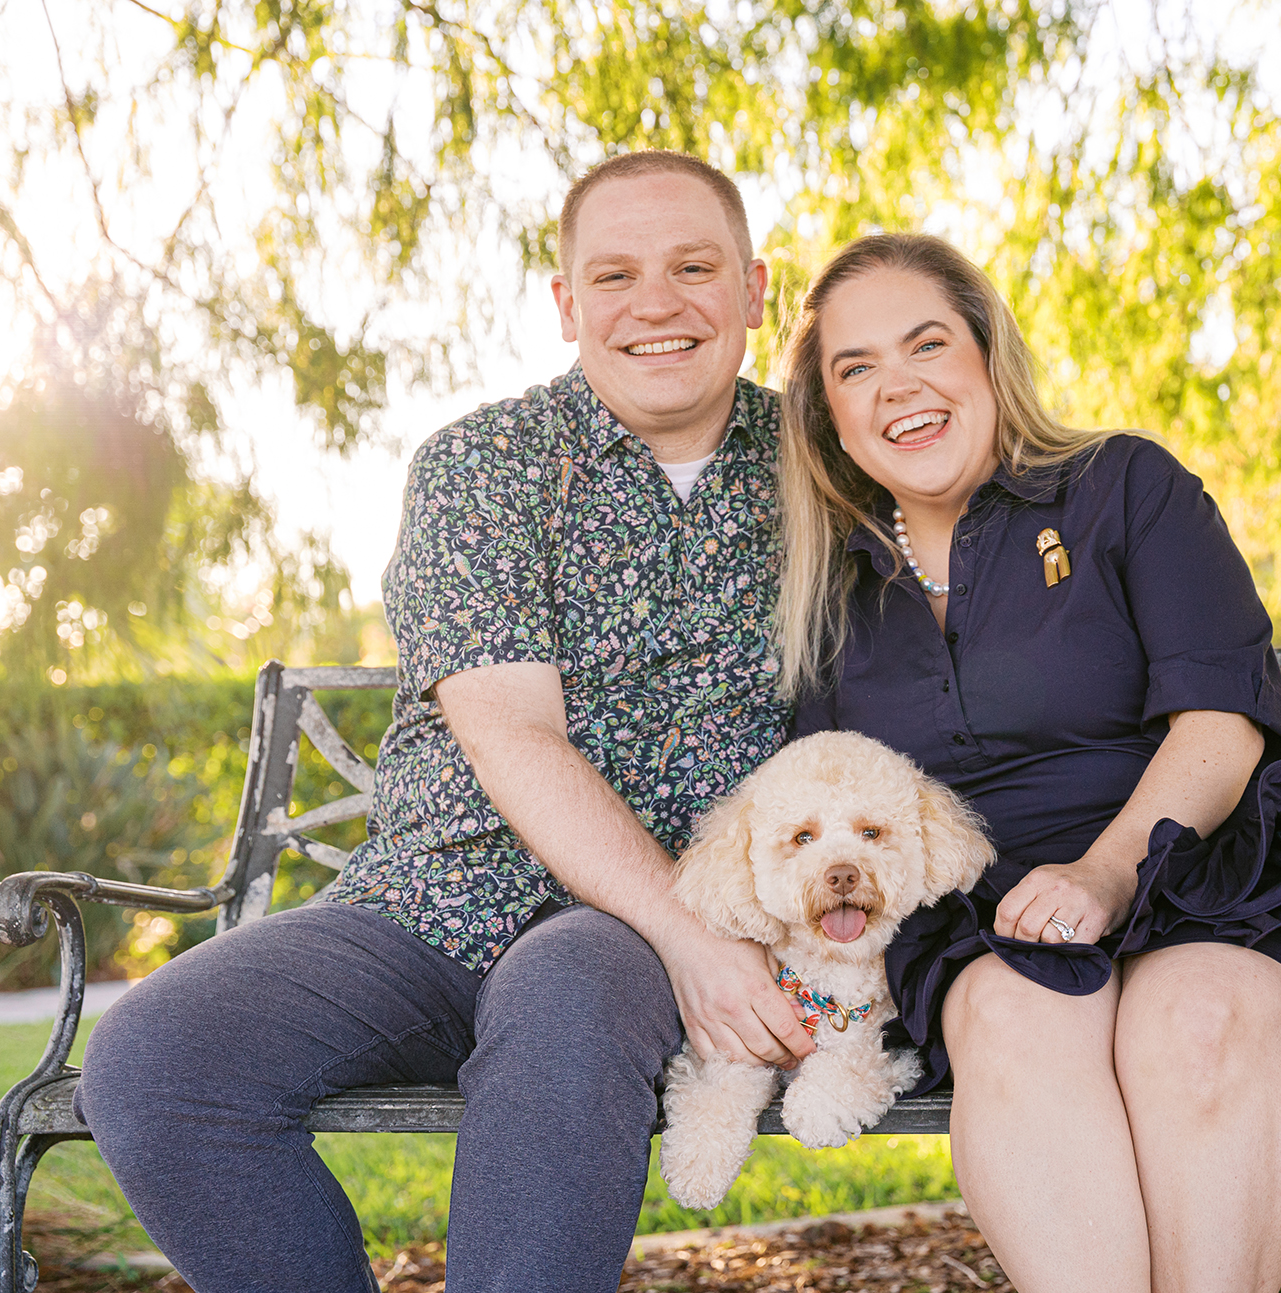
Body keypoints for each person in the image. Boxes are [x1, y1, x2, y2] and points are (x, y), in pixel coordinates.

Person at [74, 151, 817, 1293]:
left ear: (757, 288)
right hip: (424, 908)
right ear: (567, 304)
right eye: (614, 274)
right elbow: (513, 732)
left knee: (564, 996)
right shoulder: (484, 465)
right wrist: (697, 940)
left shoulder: (824, 471)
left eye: (693, 267)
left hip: (622, 942)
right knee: (155, 1059)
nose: (655, 304)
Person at [779, 233, 1281, 1293]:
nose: (897, 386)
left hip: (1205, 879)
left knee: (1193, 1021)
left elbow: (1220, 722)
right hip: (991, 929)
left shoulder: (1120, 486)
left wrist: (1104, 872)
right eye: (854, 369)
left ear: (987, 353)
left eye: (926, 343)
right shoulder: (827, 592)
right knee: (1012, 1011)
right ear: (829, 414)